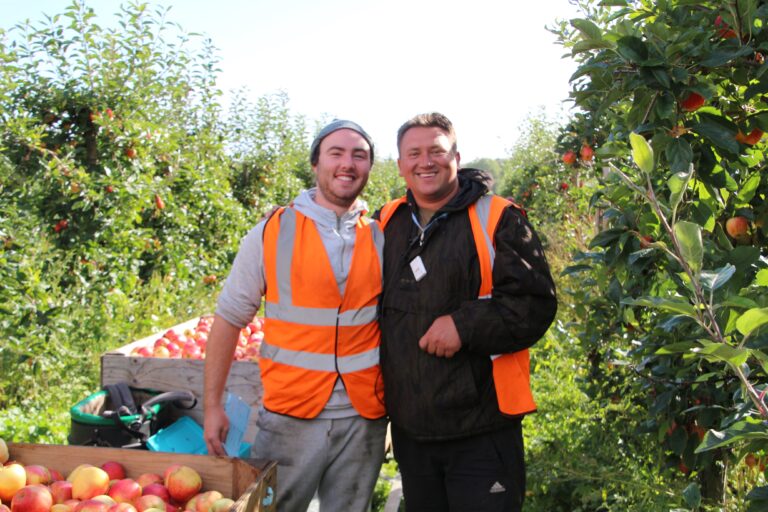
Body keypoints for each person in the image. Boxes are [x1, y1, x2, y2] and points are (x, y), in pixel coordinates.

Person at [203, 119, 388, 512]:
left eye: (359, 155)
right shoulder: (272, 232)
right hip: (291, 415)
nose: (348, 163)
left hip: (363, 418)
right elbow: (229, 318)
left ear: (370, 167)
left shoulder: (381, 235)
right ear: (315, 163)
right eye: (336, 153)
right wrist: (212, 404)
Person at [376, 112, 557, 511]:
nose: (426, 162)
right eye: (414, 153)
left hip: (481, 429)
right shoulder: (386, 222)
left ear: (456, 157)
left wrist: (464, 324)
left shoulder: (498, 217)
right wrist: (293, 213)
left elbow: (534, 303)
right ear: (401, 163)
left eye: (437, 151)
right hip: (412, 431)